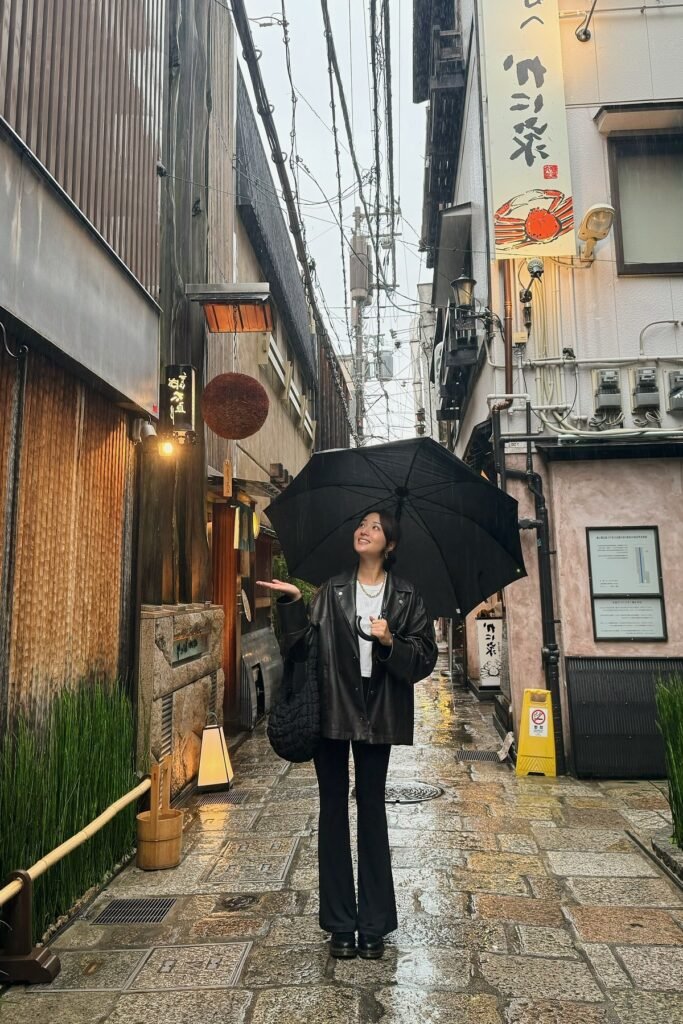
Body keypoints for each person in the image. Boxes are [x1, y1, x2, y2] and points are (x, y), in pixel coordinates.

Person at [257, 510, 437, 960]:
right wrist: (293, 603)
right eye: (361, 524)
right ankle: (339, 923)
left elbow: (424, 659)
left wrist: (392, 641)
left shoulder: (407, 596)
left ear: (389, 544)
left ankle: (374, 924)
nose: (364, 530)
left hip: (379, 716)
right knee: (333, 811)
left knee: (372, 811)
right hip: (331, 713)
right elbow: (300, 647)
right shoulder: (331, 591)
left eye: (376, 527)